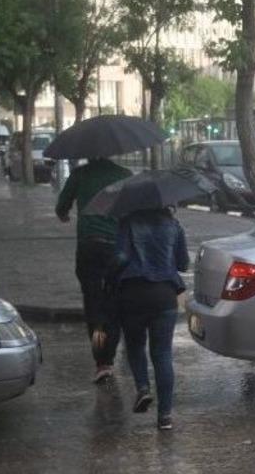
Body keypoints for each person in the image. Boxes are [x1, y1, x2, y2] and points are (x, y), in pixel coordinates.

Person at [55, 158, 132, 383]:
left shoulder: (80, 174)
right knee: (114, 304)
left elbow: (62, 208)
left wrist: (66, 214)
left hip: (89, 247)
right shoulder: (124, 174)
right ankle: (113, 350)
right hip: (116, 249)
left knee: (94, 307)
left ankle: (102, 362)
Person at [114, 208, 190, 430]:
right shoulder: (173, 225)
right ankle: (165, 416)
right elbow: (183, 264)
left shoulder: (128, 221)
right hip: (164, 295)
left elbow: (120, 257)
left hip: (133, 293)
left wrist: (110, 276)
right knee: (162, 354)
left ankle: (143, 388)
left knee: (135, 346)